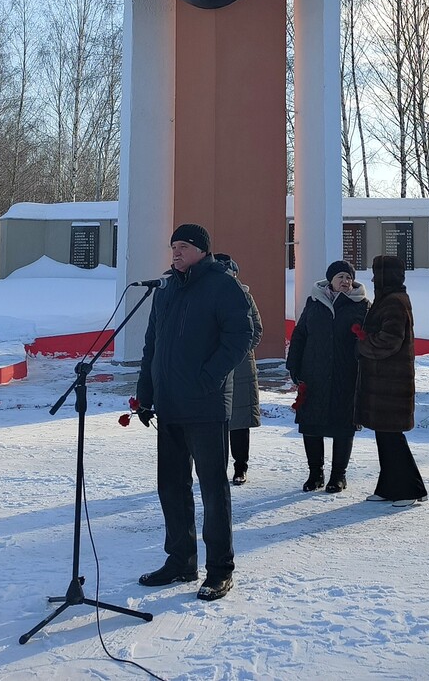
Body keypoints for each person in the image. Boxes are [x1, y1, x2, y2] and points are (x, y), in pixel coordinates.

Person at [135, 223, 253, 601]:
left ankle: (220, 570)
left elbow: (243, 336)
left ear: (202, 250)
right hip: (169, 405)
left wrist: (208, 378)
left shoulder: (222, 286)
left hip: (205, 404)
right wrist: (145, 392)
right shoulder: (165, 289)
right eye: (173, 246)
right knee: (171, 487)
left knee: (212, 490)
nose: (176, 252)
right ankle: (180, 561)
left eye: (184, 246)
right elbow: (152, 344)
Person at [286, 258, 368, 493]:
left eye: (349, 278)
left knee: (344, 426)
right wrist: (294, 366)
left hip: (346, 375)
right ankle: (315, 474)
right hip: (314, 374)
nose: (346, 281)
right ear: (330, 280)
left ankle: (338, 476)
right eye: (341, 277)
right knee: (311, 425)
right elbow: (300, 335)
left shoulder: (361, 305)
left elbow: (368, 340)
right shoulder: (314, 302)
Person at [354, 253, 427, 507]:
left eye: (377, 274)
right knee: (386, 437)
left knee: (392, 438)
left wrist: (363, 344)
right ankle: (389, 487)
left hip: (391, 384)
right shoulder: (388, 299)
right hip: (384, 383)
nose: (373, 279)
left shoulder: (394, 302)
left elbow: (390, 341)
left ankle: (409, 490)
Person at [213, 253, 263, 486]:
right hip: (213, 365)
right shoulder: (206, 297)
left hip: (240, 365)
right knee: (214, 421)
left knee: (240, 420)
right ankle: (215, 468)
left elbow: (256, 330)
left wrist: (236, 350)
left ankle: (240, 467)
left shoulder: (245, 297)